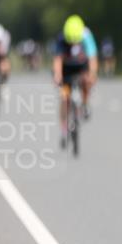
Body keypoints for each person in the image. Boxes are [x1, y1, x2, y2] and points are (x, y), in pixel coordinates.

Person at [53, 15, 98, 147]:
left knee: (87, 81)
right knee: (64, 97)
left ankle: (84, 103)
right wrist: (57, 75)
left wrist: (92, 75)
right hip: (67, 69)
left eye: (75, 41)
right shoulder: (61, 38)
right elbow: (58, 60)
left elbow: (93, 58)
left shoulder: (86, 36)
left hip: (81, 66)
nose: (73, 44)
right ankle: (63, 130)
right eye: (70, 41)